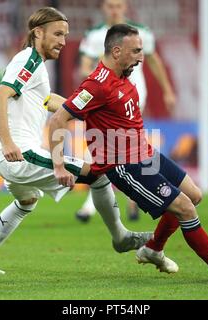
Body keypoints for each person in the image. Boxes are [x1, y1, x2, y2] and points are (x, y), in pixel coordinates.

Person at [0, 8, 151, 274]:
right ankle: (120, 236)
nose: (63, 41)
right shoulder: (27, 60)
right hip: (19, 154)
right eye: (58, 34)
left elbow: (48, 101)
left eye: (66, 35)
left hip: (16, 155)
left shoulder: (35, 65)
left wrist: (90, 112)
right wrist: (8, 143)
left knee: (26, 202)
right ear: (38, 32)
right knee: (98, 175)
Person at [49, 24, 208, 274]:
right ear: (116, 51)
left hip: (145, 153)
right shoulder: (96, 85)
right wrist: (59, 164)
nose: (141, 56)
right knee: (185, 208)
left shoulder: (125, 78)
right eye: (136, 51)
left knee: (194, 195)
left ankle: (153, 249)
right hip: (124, 164)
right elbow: (58, 120)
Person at [75, 0, 176, 222]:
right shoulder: (94, 35)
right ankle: (131, 200)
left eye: (118, 5)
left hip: (132, 95)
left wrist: (168, 90)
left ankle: (104, 204)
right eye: (110, 5)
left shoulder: (141, 34)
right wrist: (99, 82)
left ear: (125, 7)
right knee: (120, 151)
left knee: (117, 151)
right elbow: (84, 66)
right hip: (107, 97)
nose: (114, 10)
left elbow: (153, 61)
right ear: (103, 8)